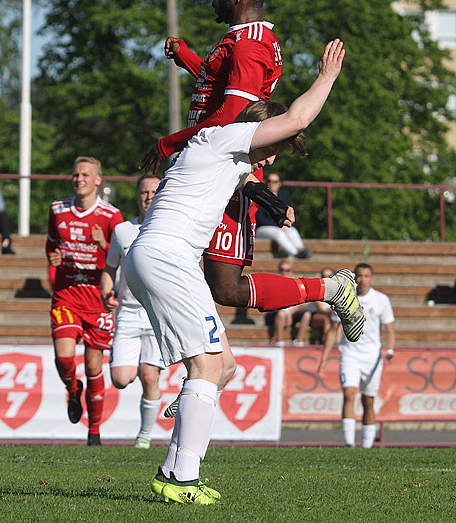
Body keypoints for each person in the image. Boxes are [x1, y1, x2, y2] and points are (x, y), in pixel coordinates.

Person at [125, 39, 362, 504]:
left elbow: (244, 157)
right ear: (259, 132)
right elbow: (292, 117)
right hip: (167, 257)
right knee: (210, 364)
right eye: (273, 147)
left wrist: (274, 201)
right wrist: (327, 77)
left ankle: (171, 467)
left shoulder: (224, 151)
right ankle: (182, 480)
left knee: (224, 365)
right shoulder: (228, 138)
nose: (274, 157)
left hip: (160, 257)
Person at [46, 156, 124, 446]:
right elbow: (51, 245)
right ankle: (71, 386)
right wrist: (53, 258)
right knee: (64, 356)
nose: (79, 179)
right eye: (76, 174)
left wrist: (102, 244)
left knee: (94, 367)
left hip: (97, 299)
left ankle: (94, 431)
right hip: (66, 295)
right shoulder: (58, 209)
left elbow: (119, 258)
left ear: (98, 181)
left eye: (85, 175)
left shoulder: (111, 216)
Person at [99, 175, 165, 449]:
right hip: (126, 311)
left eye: (154, 191)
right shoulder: (123, 230)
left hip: (156, 314)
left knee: (150, 375)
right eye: (144, 192)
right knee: (121, 379)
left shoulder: (171, 229)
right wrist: (106, 293)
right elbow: (109, 268)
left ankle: (145, 437)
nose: (149, 196)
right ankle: (140, 366)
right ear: (137, 196)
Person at [317, 263, 395, 448]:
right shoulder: (345, 298)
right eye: (359, 276)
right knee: (349, 393)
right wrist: (324, 359)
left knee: (368, 400)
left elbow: (389, 329)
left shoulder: (381, 300)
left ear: (371, 278)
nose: (362, 280)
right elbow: (333, 330)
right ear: (354, 278)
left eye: (366, 276)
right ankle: (349, 444)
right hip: (350, 354)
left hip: (372, 356)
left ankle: (367, 446)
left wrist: (390, 350)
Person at [254, 171, 311, 258]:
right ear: (266, 182)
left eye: (275, 181)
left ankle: (301, 249)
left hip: (280, 226)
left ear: (280, 183)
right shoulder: (260, 196)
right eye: (270, 181)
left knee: (292, 231)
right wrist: (279, 224)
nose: (272, 184)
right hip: (262, 229)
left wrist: (283, 224)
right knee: (278, 233)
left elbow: (289, 213)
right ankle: (296, 253)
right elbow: (259, 219)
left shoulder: (284, 196)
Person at [263, 261, 309, 346]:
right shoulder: (273, 284)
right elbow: (272, 304)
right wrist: (287, 314)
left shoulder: (297, 285)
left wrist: (289, 313)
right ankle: (279, 341)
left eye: (287, 270)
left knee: (307, 314)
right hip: (275, 312)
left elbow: (302, 304)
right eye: (282, 270)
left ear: (291, 271)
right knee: (281, 314)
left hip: (289, 312)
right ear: (278, 270)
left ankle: (299, 341)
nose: (284, 272)